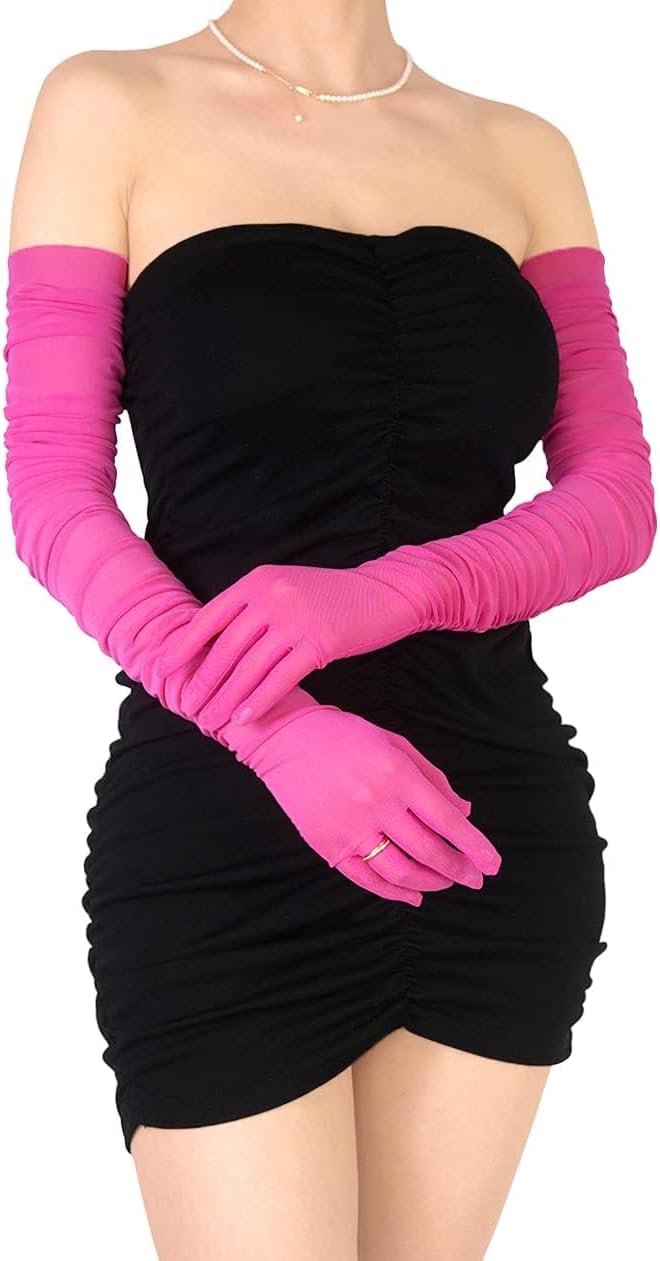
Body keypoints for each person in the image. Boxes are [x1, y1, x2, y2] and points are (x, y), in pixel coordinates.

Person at [3, 3, 656, 1258]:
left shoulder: (524, 149)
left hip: (484, 818)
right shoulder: (107, 105)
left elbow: (619, 498)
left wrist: (389, 593)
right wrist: (273, 729)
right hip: (225, 802)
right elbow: (51, 497)